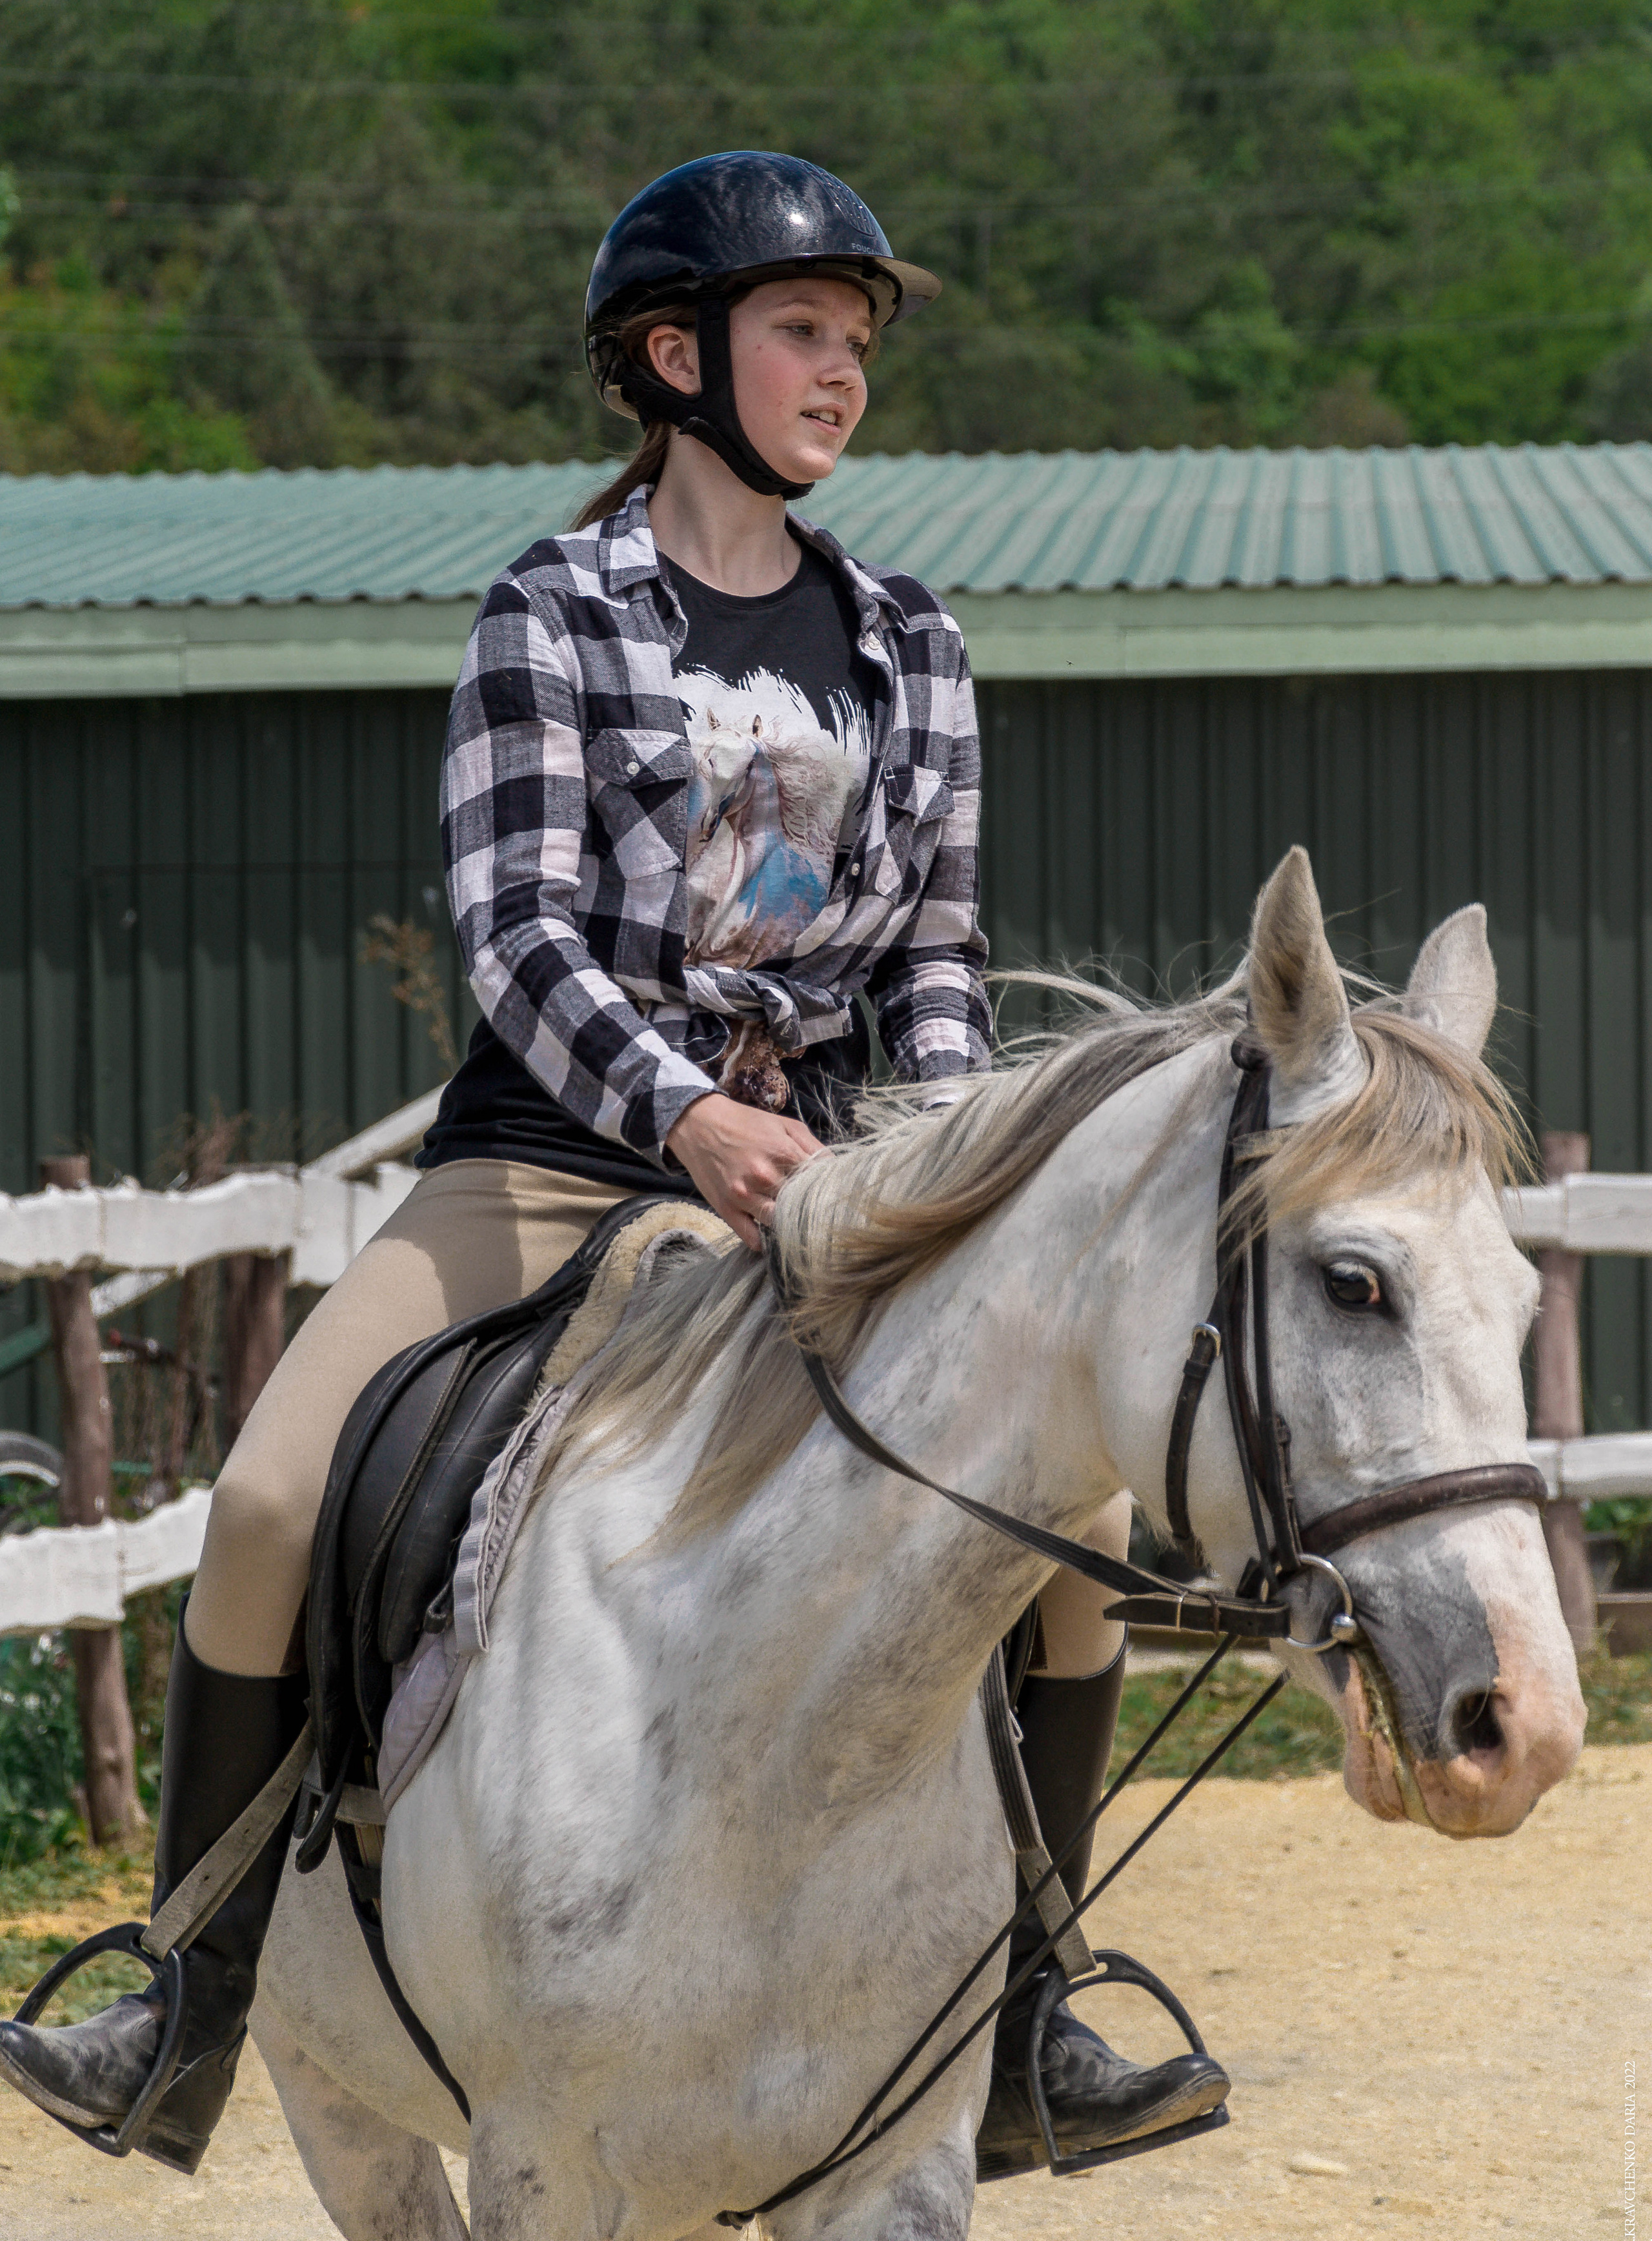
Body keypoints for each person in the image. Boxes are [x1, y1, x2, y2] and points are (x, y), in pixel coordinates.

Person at [0, 151, 1225, 2180]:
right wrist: (682, 1113)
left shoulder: (910, 640)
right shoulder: (553, 614)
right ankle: (185, 2001)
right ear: (677, 357)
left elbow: (934, 959)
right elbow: (518, 930)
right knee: (269, 1497)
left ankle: (1031, 2013)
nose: (844, 374)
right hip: (560, 1166)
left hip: (833, 1192)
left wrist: (934, 1161)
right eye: (805, 334)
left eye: (858, 341)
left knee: (1049, 1538)